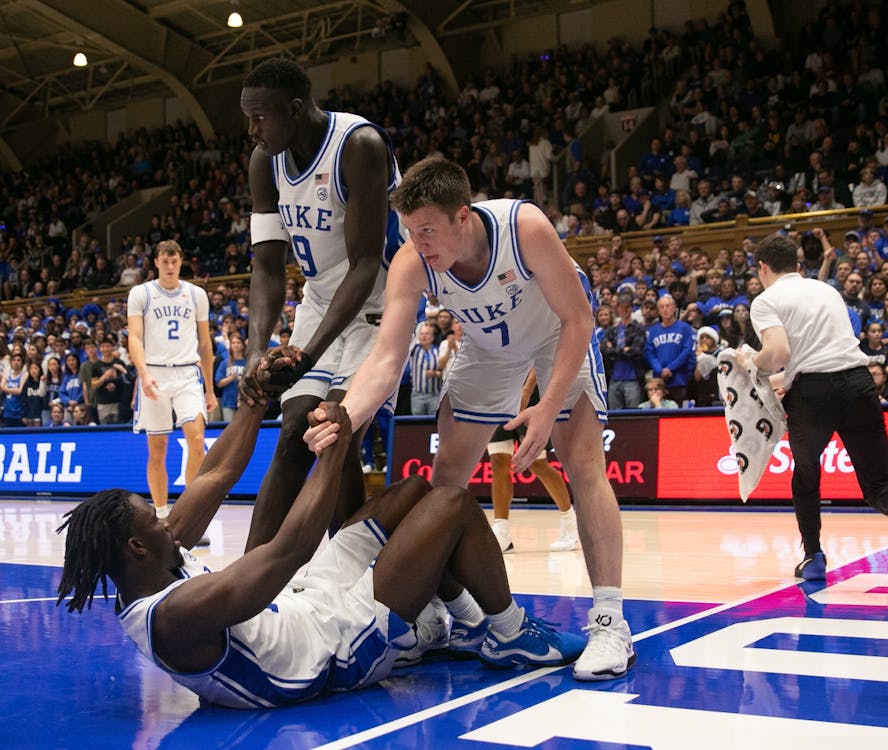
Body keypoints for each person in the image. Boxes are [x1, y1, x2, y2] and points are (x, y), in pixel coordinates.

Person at [304, 157, 634, 682]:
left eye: (428, 230)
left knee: (582, 461)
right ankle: (450, 615)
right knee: (445, 488)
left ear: (463, 216)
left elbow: (578, 318)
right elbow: (389, 357)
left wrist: (547, 409)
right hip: (486, 346)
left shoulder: (523, 227)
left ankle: (609, 622)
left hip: (556, 334)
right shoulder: (414, 261)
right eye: (410, 231)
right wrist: (343, 417)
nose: (419, 243)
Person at [56, 401, 586, 709]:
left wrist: (253, 398)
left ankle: (467, 625)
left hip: (305, 601)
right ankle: (508, 631)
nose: (166, 516)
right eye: (154, 516)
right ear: (135, 545)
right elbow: (287, 550)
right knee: (450, 504)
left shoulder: (157, 558)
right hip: (336, 650)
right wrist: (332, 451)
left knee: (410, 493)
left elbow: (214, 475)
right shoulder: (172, 618)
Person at [238, 58, 402, 551]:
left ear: (293, 109)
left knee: (332, 428)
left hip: (379, 303)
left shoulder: (359, 146)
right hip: (320, 302)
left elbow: (366, 263)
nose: (252, 131)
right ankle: (246, 581)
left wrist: (307, 354)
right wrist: (255, 350)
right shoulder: (265, 162)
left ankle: (348, 574)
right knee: (294, 429)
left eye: (259, 117)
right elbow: (267, 267)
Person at [737, 233, 888, 580]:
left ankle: (814, 556)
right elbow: (817, 355)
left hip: (813, 396)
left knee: (806, 476)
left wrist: (751, 365)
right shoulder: (827, 290)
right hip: (858, 383)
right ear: (797, 263)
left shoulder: (766, 299)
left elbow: (779, 354)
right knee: (880, 487)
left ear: (762, 267)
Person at [128, 240, 218, 520]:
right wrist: (143, 374)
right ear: (156, 262)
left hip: (187, 373)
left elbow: (205, 344)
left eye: (174, 261)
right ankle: (162, 514)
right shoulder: (140, 293)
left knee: (197, 438)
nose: (169, 266)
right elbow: (134, 337)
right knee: (158, 448)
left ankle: (187, 515)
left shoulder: (196, 294)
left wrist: (210, 388)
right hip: (154, 372)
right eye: (164, 261)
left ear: (181, 262)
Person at [488, 369, 579, 553]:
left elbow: (538, 355)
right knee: (498, 459)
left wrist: (527, 390)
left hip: (529, 393)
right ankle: (502, 531)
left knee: (537, 463)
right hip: (499, 389)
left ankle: (569, 522)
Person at [644, 295, 696, 404]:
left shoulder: (684, 328)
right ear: (658, 310)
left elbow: (686, 352)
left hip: (679, 380)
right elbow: (649, 352)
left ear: (674, 308)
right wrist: (659, 370)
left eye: (667, 306)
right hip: (658, 382)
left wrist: (670, 369)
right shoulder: (654, 330)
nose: (665, 309)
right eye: (662, 307)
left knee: (678, 416)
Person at [602, 291, 646, 409]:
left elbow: (635, 351)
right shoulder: (612, 330)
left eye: (627, 307)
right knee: (615, 418)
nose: (624, 310)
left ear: (631, 308)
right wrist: (624, 350)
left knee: (633, 417)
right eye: (621, 307)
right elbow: (605, 350)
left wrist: (614, 350)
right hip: (613, 378)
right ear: (617, 309)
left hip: (632, 379)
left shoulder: (638, 328)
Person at [408, 322, 443, 415]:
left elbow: (445, 371)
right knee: (417, 424)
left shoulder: (438, 351)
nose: (424, 336)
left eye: (427, 334)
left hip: (435, 395)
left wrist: (436, 374)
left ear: (432, 337)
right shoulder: (414, 350)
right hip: (418, 395)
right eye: (421, 334)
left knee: (433, 423)